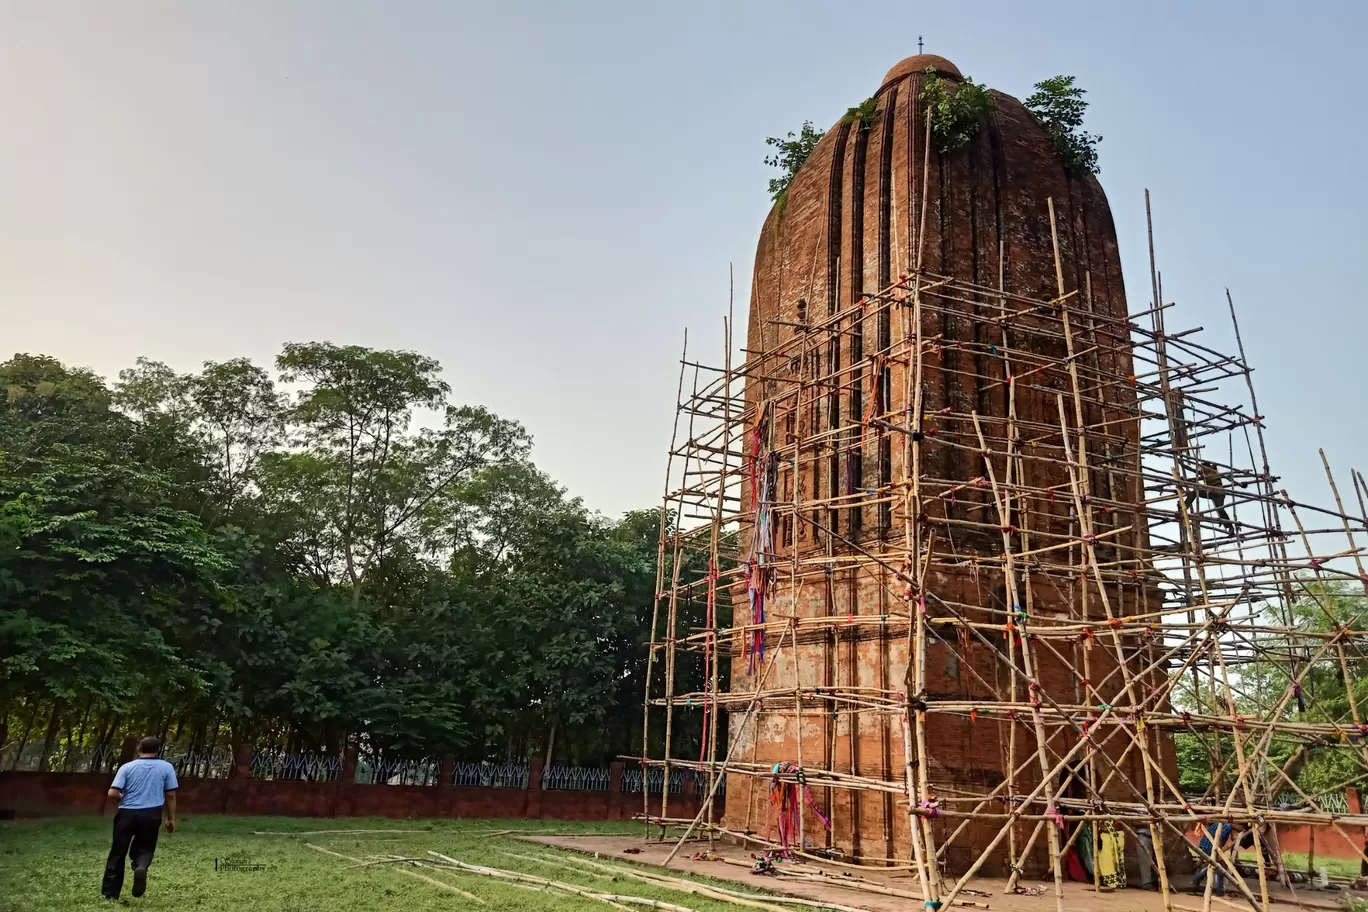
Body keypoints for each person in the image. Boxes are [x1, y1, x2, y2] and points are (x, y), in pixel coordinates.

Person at [102, 736, 178, 900]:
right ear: (158, 750)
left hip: (126, 814)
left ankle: (110, 894)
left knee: (118, 852)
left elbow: (112, 793)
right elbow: (170, 795)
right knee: (145, 848)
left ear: (139, 750)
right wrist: (171, 819)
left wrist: (122, 795)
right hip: (151, 814)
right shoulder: (166, 767)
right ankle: (140, 866)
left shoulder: (127, 767)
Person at [1190, 821, 1238, 897]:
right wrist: (1218, 853)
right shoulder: (1227, 826)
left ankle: (1195, 880)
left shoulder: (1222, 823)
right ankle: (1220, 892)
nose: (1240, 829)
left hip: (1205, 845)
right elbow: (1218, 839)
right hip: (1210, 846)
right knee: (1218, 868)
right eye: (1240, 827)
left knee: (1211, 866)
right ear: (1236, 824)